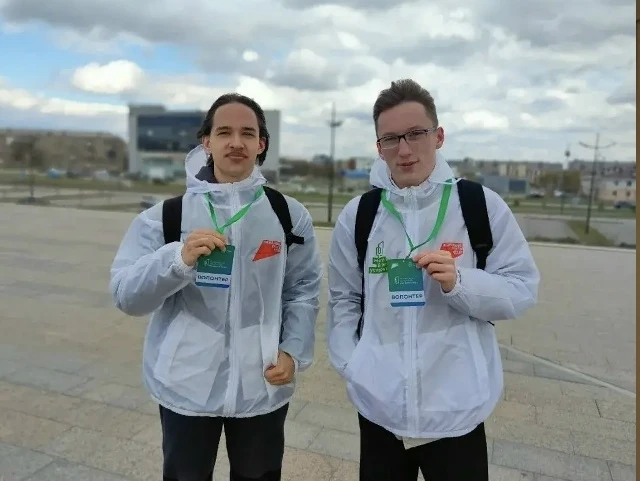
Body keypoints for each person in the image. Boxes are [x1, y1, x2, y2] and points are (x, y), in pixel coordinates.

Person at [326, 79, 540, 481]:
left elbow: (522, 288)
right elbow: (343, 298)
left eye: (415, 134)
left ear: (438, 136)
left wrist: (460, 283)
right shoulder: (360, 215)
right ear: (379, 147)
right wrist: (353, 366)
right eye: (391, 139)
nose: (404, 150)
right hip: (380, 407)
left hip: (457, 409)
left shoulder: (480, 205)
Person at [110, 93, 323, 481]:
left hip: (262, 382)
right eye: (224, 132)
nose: (236, 142)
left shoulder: (288, 215)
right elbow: (126, 296)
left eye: (248, 133)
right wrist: (177, 260)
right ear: (206, 142)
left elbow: (303, 289)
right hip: (186, 385)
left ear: (262, 144)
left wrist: (293, 351)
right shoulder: (165, 217)